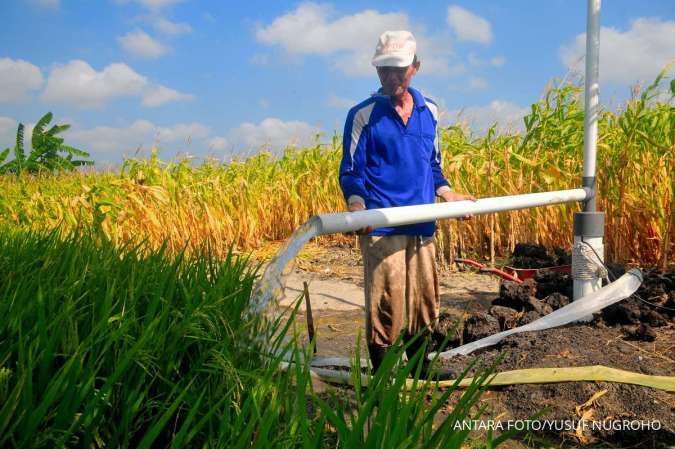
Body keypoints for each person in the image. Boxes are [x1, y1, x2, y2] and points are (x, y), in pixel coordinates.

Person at [338, 30, 476, 376]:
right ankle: (383, 379)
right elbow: (351, 172)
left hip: (422, 223)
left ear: (415, 67)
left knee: (423, 301)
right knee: (387, 302)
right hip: (382, 225)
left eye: (398, 69)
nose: (391, 78)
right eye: (383, 70)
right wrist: (357, 207)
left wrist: (448, 195)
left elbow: (433, 164)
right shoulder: (363, 115)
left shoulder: (429, 111)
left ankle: (418, 370)